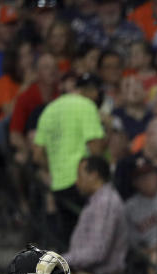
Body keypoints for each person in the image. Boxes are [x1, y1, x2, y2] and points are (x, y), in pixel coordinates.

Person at [33, 73, 106, 246]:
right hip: (84, 183)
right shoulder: (86, 105)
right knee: (90, 239)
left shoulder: (49, 109)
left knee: (69, 240)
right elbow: (95, 148)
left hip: (59, 185)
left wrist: (52, 168)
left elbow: (37, 155)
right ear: (94, 93)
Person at [63, 156, 129, 274]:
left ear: (94, 175)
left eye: (80, 175)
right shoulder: (96, 201)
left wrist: (62, 260)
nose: (77, 181)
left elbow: (97, 252)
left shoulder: (106, 202)